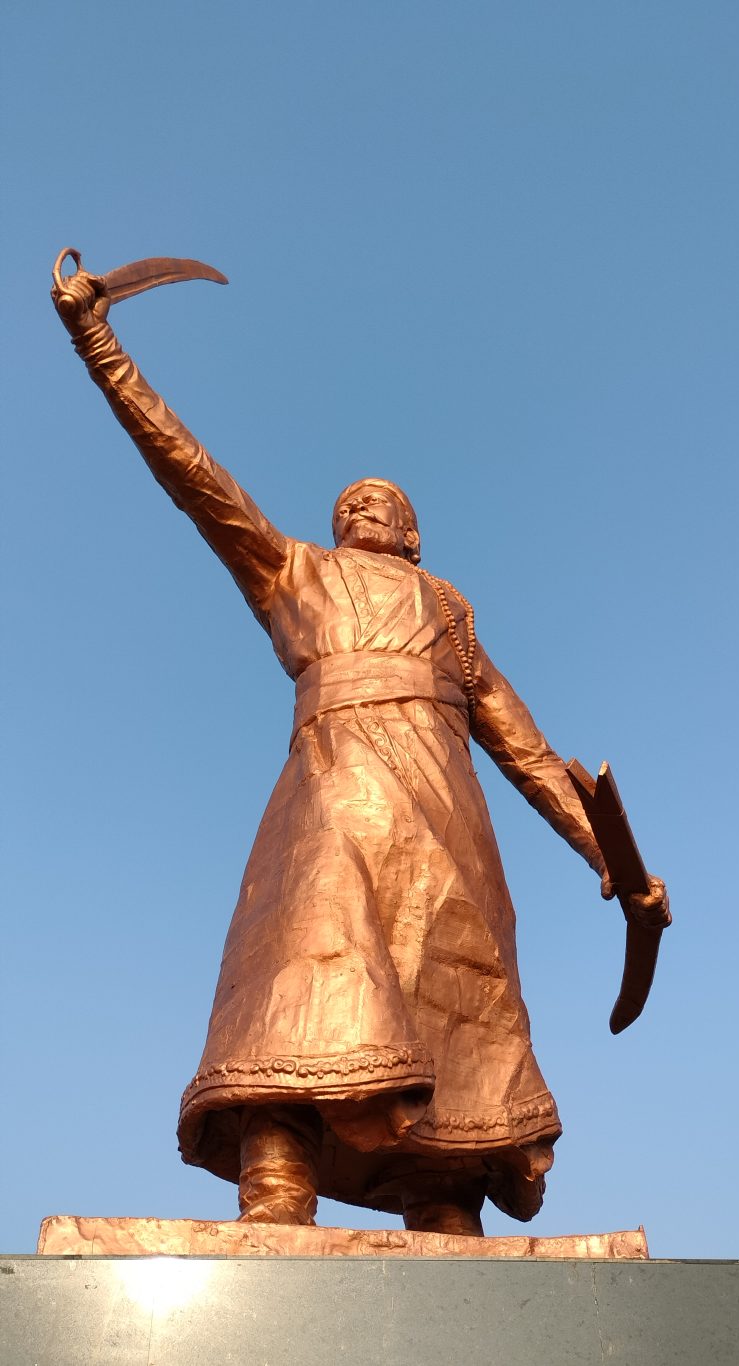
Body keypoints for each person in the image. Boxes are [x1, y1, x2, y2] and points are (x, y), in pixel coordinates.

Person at [52, 266, 669, 1238]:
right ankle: (276, 1197)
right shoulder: (293, 571)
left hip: (448, 827)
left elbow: (527, 747)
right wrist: (100, 347)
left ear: (414, 537)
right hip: (332, 803)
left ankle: (448, 1214)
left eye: (380, 500)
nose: (359, 505)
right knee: (304, 989)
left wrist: (611, 862)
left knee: (453, 1019)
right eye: (347, 500)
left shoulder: (450, 611)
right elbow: (192, 475)